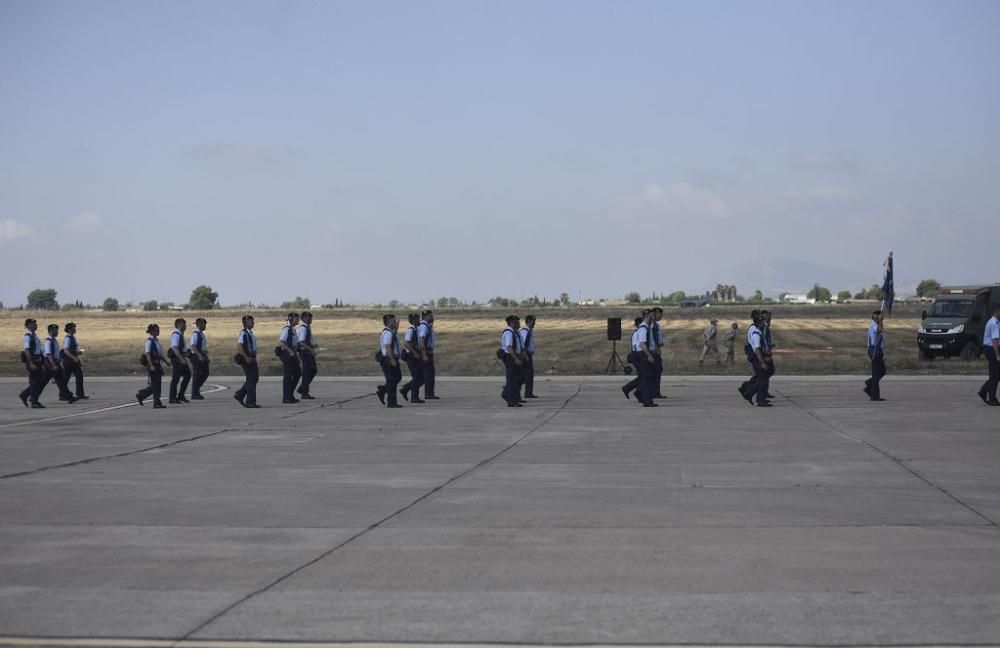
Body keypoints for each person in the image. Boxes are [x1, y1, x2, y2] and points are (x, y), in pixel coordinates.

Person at [738, 310, 771, 407]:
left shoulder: (752, 328)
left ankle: (751, 393)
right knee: (762, 379)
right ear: (759, 322)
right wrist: (762, 362)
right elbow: (757, 349)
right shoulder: (756, 333)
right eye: (763, 321)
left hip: (757, 357)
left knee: (761, 378)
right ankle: (753, 395)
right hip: (757, 358)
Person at [136, 323, 170, 408]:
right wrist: (151, 365)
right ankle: (156, 402)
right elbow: (147, 354)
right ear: (152, 331)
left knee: (157, 384)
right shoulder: (149, 342)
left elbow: (160, 354)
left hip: (157, 363)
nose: (158, 331)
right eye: (156, 330)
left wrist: (166, 361)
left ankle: (142, 395)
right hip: (152, 364)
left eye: (158, 330)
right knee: (156, 384)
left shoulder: (157, 341)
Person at [44, 324, 77, 403]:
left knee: (60, 381)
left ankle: (67, 396)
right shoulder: (48, 341)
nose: (57, 332)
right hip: (51, 362)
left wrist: (59, 363)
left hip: (56, 362)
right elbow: (49, 354)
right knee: (57, 381)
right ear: (51, 331)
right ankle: (67, 396)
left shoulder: (54, 340)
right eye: (56, 330)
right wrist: (54, 365)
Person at [376, 314, 403, 408]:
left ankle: (382, 390)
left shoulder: (391, 332)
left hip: (392, 358)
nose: (394, 322)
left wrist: (396, 329)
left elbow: (394, 338)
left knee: (397, 378)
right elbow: (388, 347)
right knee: (391, 380)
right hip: (388, 360)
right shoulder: (387, 333)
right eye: (392, 321)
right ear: (387, 323)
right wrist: (392, 359)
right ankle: (391, 402)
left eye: (394, 321)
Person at [19, 319, 45, 408]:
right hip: (33, 361)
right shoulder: (28, 336)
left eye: (36, 324)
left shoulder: (35, 337)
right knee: (35, 382)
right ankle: (34, 402)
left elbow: (39, 350)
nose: (36, 325)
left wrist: (43, 359)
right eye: (34, 324)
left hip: (38, 361)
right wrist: (31, 363)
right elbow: (27, 350)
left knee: (39, 381)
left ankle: (24, 395)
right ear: (29, 325)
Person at [234, 315, 260, 408]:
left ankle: (240, 394)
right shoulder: (244, 333)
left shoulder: (250, 333)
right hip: (247, 359)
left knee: (253, 378)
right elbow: (240, 346)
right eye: (251, 321)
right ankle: (250, 401)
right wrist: (246, 357)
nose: (253, 323)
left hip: (251, 358)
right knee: (251, 379)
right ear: (246, 322)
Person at [500, 315, 525, 407]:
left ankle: (508, 393)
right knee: (512, 379)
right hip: (510, 358)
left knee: (518, 378)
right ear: (512, 323)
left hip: (513, 357)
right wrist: (516, 359)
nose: (519, 324)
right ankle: (511, 400)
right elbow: (509, 347)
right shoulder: (509, 333)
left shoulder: (514, 332)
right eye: (517, 322)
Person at [399, 313, 425, 403]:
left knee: (420, 377)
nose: (420, 321)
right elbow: (406, 343)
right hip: (411, 357)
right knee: (417, 377)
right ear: (414, 320)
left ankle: (405, 389)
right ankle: (414, 397)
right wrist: (414, 352)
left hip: (415, 356)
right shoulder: (410, 330)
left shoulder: (416, 329)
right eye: (418, 319)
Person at [978, 304, 1000, 406]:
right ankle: (991, 398)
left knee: (995, 375)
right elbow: (994, 340)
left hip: (991, 349)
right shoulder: (994, 323)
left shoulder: (994, 322)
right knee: (995, 375)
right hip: (992, 349)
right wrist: (998, 355)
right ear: (997, 311)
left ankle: (984, 392)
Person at [278, 312, 302, 404]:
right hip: (287, 354)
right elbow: (281, 342)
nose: (298, 320)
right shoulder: (287, 329)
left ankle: (290, 395)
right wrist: (290, 351)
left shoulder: (293, 329)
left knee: (297, 373)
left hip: (292, 354)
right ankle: (287, 397)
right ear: (291, 319)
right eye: (296, 319)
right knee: (288, 376)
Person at [61, 322, 88, 400]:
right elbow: (66, 350)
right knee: (66, 378)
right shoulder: (67, 338)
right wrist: (74, 357)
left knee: (79, 376)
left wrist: (78, 353)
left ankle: (80, 394)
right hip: (69, 361)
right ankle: (63, 394)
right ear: (69, 329)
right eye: (73, 328)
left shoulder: (73, 338)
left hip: (73, 360)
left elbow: (72, 350)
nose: (75, 329)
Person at [864, 310, 887, 401]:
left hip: (878, 350)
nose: (882, 317)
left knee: (882, 371)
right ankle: (874, 396)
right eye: (880, 316)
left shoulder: (876, 325)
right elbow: (880, 330)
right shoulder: (873, 326)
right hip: (874, 350)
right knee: (876, 373)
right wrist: (881, 321)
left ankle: (869, 383)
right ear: (876, 317)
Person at [167, 318, 191, 404]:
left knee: (187, 375)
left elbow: (181, 348)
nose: (186, 326)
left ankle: (180, 395)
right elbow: (174, 347)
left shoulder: (180, 335)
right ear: (180, 325)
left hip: (180, 358)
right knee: (176, 378)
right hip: (177, 359)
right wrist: (181, 359)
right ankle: (172, 397)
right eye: (184, 324)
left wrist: (186, 354)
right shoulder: (176, 335)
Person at [621, 316, 645, 401]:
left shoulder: (638, 332)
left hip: (637, 355)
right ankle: (635, 391)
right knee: (644, 376)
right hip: (638, 356)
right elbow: (638, 347)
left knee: (643, 376)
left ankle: (636, 392)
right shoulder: (638, 333)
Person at [417, 310, 438, 399]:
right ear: (426, 317)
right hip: (426, 353)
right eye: (431, 316)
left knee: (428, 374)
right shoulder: (424, 327)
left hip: (428, 352)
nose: (432, 318)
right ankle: (428, 394)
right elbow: (422, 341)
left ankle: (429, 393)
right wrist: (424, 354)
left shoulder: (427, 326)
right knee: (428, 374)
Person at [297, 311, 317, 400]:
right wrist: (311, 349)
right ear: (305, 318)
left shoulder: (308, 328)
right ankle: (304, 393)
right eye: (309, 318)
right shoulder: (303, 329)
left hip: (308, 352)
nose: (311, 319)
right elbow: (301, 342)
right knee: (307, 372)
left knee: (313, 370)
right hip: (305, 353)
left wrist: (314, 345)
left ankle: (303, 388)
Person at [189, 318, 209, 400]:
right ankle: (194, 393)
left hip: (202, 355)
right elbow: (193, 346)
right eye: (203, 324)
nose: (205, 326)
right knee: (197, 375)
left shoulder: (201, 334)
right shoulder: (195, 334)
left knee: (205, 373)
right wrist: (200, 356)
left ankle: (196, 390)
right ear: (199, 324)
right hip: (197, 356)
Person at [519, 315, 538, 398]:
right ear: (528, 321)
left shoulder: (529, 331)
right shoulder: (525, 331)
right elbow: (523, 345)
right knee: (527, 374)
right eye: (533, 322)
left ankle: (528, 392)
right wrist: (525, 355)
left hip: (528, 355)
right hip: (525, 355)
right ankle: (527, 393)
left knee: (528, 375)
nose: (534, 323)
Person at [761, 310, 776, 398]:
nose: (769, 318)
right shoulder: (764, 327)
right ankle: (753, 387)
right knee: (768, 371)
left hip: (767, 350)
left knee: (767, 372)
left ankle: (764, 391)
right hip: (765, 352)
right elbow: (763, 340)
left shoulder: (765, 326)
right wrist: (767, 349)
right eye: (767, 317)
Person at [651, 307, 665, 398]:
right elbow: (653, 338)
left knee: (658, 371)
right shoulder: (653, 325)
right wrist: (657, 349)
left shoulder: (656, 324)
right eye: (660, 314)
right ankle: (655, 392)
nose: (662, 316)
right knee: (656, 371)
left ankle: (656, 391)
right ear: (656, 314)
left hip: (657, 348)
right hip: (654, 351)